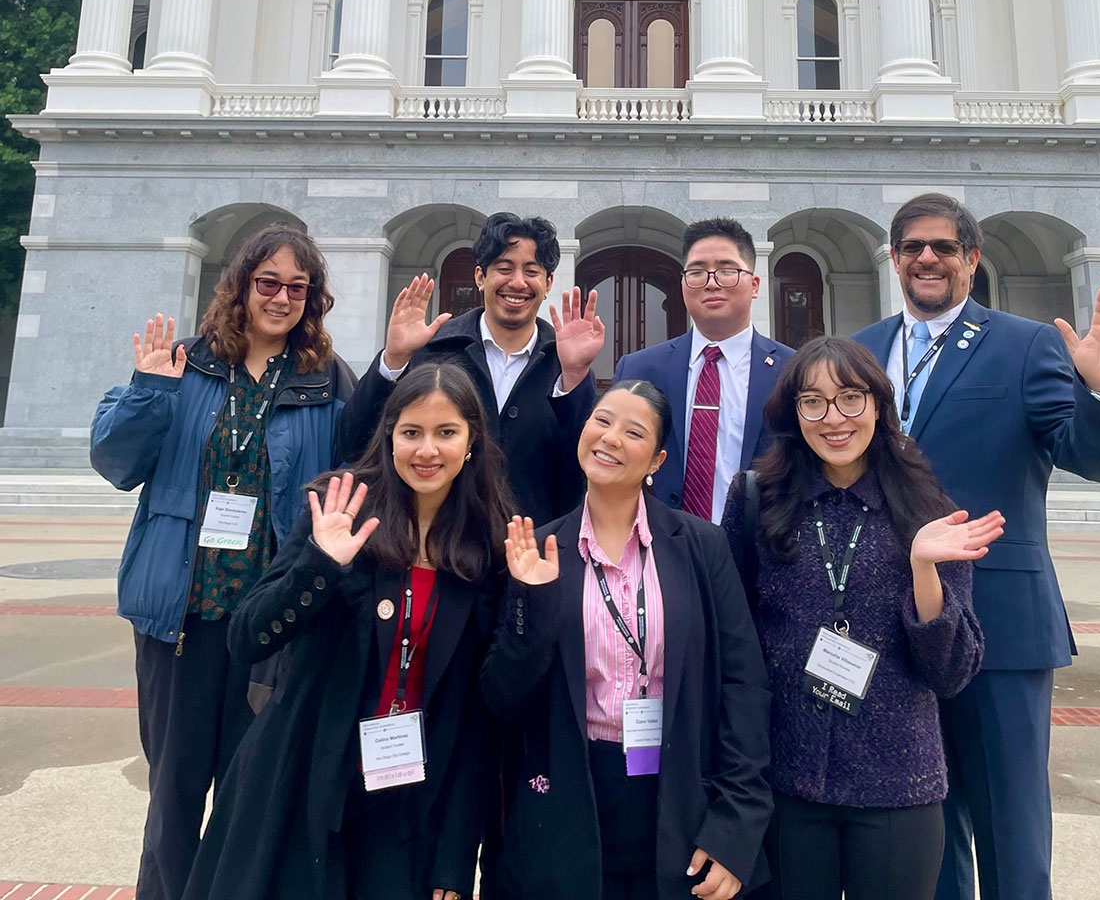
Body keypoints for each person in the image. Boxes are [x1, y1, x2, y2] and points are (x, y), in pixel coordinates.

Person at [853, 193, 1100, 900]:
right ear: (893, 259)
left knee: (1011, 825)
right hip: (893, 626)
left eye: (944, 247)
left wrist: (1099, 394)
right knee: (926, 820)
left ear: (971, 260)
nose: (927, 258)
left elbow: (1090, 458)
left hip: (999, 626)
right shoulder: (860, 351)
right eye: (912, 247)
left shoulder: (1023, 343)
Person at [90, 226, 356, 900]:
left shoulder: (324, 379)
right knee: (174, 794)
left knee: (251, 795)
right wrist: (148, 392)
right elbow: (116, 463)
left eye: (299, 287)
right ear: (240, 286)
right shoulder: (183, 363)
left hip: (266, 626)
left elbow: (356, 463)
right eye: (269, 282)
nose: (283, 297)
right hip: (181, 617)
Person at [183, 361, 513, 900]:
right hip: (304, 774)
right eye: (411, 432)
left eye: (446, 432)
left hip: (407, 794)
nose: (426, 450)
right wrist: (320, 563)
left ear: (472, 442)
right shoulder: (342, 507)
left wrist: (454, 862)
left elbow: (475, 718)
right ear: (389, 437)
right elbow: (248, 636)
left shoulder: (487, 542)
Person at [722, 338, 1000, 900]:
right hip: (785, 782)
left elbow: (952, 672)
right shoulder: (757, 498)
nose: (834, 418)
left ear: (878, 404)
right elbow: (734, 642)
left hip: (898, 783)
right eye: (813, 402)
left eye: (851, 398)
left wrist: (924, 568)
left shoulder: (930, 513)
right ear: (792, 413)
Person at [482, 380, 772, 900]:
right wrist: (532, 602)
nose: (610, 438)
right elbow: (504, 698)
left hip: (680, 798)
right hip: (569, 801)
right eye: (601, 421)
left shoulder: (701, 546)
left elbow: (744, 685)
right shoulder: (540, 547)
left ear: (657, 459)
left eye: (632, 431)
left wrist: (736, 827)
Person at [337, 211, 603, 525]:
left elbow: (587, 468)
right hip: (440, 544)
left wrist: (574, 378)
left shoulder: (565, 362)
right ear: (480, 276)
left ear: (548, 283)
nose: (517, 283)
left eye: (531, 271)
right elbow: (354, 444)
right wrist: (394, 360)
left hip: (533, 552)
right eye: (504, 269)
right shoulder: (435, 351)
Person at [613, 218, 788, 522]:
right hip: (659, 550)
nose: (711, 282)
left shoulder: (792, 369)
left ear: (755, 285)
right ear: (683, 284)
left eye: (726, 271)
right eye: (697, 272)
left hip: (762, 550)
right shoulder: (640, 367)